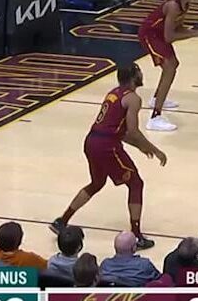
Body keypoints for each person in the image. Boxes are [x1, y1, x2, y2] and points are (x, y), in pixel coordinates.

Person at [51, 63, 169, 250]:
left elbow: (118, 131)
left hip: (92, 140)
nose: (141, 74)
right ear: (132, 77)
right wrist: (155, 150)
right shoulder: (133, 99)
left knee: (97, 183)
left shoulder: (113, 93)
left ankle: (61, 221)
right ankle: (136, 235)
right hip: (107, 146)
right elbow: (133, 132)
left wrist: (140, 147)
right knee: (136, 183)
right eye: (139, 72)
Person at [137, 0, 198, 131]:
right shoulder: (173, 6)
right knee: (170, 67)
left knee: (173, 64)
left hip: (159, 35)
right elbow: (169, 37)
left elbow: (177, 29)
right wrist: (195, 34)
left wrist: (195, 31)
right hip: (149, 34)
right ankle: (154, 117)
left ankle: (156, 99)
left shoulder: (185, 4)